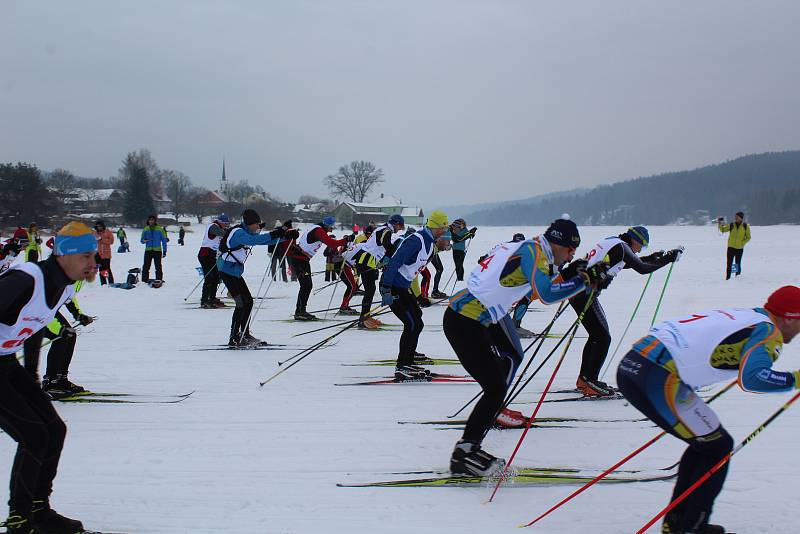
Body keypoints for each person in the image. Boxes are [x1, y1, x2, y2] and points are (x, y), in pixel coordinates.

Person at [616, 285, 800, 534]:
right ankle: (691, 527)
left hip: (638, 365)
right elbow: (754, 378)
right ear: (789, 318)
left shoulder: (751, 316)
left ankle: (681, 524)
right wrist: (796, 380)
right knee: (717, 446)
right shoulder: (768, 332)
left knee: (709, 443)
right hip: (656, 374)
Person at [444, 218, 607, 475]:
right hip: (464, 319)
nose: (571, 255)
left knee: (513, 356)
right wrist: (582, 280)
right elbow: (546, 295)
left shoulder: (536, 250)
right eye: (570, 252)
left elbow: (537, 285)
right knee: (495, 387)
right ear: (558, 244)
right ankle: (465, 452)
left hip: (484, 316)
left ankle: (491, 410)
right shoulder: (535, 253)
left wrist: (575, 271)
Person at [0, 221, 98, 533]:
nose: (92, 263)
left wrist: (30, 374)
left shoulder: (63, 286)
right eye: (85, 256)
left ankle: (39, 512)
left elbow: (36, 323)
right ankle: (20, 519)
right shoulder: (25, 278)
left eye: (93, 256)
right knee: (33, 436)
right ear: (63, 255)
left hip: (6, 362)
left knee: (54, 430)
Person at [566, 226, 683, 397]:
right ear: (635, 240)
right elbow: (641, 268)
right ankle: (588, 380)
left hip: (580, 289)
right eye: (641, 246)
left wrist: (653, 257)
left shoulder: (615, 243)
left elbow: (628, 263)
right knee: (602, 337)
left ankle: (586, 379)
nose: (639, 250)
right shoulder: (622, 247)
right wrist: (667, 259)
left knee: (597, 336)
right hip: (583, 292)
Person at [380, 211, 450, 380]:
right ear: (436, 227)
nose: (445, 231)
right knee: (412, 323)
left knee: (417, 319)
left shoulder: (429, 242)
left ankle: (408, 361)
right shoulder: (416, 240)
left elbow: (412, 271)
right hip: (393, 286)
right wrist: (386, 288)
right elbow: (395, 261)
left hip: (403, 288)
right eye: (443, 227)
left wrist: (418, 297)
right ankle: (402, 366)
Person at [218, 210, 298, 346]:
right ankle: (234, 337)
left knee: (248, 301)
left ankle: (245, 333)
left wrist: (285, 236)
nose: (258, 227)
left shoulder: (246, 231)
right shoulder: (238, 233)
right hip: (226, 270)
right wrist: (275, 233)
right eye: (256, 224)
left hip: (235, 272)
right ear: (249, 224)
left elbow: (262, 241)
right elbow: (253, 240)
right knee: (241, 303)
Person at [342, 214, 406, 326]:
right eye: (400, 226)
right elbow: (388, 247)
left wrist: (383, 260)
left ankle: (365, 317)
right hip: (366, 260)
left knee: (370, 290)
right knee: (370, 290)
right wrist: (390, 259)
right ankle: (364, 319)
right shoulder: (386, 231)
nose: (399, 229)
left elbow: (380, 247)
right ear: (396, 224)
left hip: (365, 260)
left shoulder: (383, 229)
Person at [286, 216, 352, 321]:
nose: (332, 229)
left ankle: (300, 311)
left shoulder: (316, 228)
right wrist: (345, 240)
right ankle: (300, 312)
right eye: (331, 227)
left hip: (301, 259)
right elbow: (331, 243)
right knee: (306, 285)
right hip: (299, 260)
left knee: (306, 285)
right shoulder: (318, 231)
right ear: (327, 225)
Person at [40, 280, 94, 397]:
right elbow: (42, 305)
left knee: (70, 335)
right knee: (61, 337)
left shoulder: (78, 275)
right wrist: (59, 330)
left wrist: (78, 314)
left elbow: (69, 296)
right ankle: (51, 382)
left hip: (48, 310)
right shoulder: (66, 274)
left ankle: (60, 379)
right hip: (35, 311)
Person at [198, 214, 230, 309]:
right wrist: (230, 232)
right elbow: (222, 233)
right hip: (205, 255)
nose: (226, 225)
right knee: (209, 278)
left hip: (212, 255)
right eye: (225, 224)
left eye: (227, 224)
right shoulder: (213, 227)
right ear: (220, 222)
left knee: (216, 277)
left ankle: (212, 298)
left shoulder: (219, 227)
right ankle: (204, 300)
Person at [717, 211, 751, 280]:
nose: (735, 218)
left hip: (739, 248)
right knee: (729, 263)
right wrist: (720, 223)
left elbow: (748, 237)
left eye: (737, 217)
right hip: (731, 247)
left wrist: (742, 243)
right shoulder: (732, 225)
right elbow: (723, 230)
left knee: (736, 264)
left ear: (741, 218)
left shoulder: (745, 226)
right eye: (735, 216)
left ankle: (737, 278)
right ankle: (728, 278)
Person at [140, 215, 168, 283]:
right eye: (150, 220)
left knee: (158, 266)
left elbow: (164, 240)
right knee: (146, 266)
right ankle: (144, 279)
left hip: (157, 250)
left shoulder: (160, 229)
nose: (151, 221)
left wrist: (164, 251)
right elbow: (141, 240)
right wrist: (144, 241)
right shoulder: (146, 229)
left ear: (155, 221)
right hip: (148, 250)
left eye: (152, 220)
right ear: (148, 221)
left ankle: (159, 279)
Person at [450, 218, 477, 282]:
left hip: (461, 250)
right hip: (455, 249)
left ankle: (460, 278)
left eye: (461, 225)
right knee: (457, 264)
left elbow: (465, 236)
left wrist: (471, 234)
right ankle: (458, 278)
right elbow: (457, 238)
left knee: (460, 264)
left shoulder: (465, 230)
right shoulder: (455, 230)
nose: (459, 226)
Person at [94, 219, 115, 285]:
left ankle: (110, 282)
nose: (99, 227)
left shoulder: (108, 232)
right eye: (98, 226)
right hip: (98, 254)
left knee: (107, 268)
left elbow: (111, 241)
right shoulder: (95, 233)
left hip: (106, 254)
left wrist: (101, 239)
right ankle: (103, 283)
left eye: (100, 226)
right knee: (101, 269)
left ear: (103, 226)